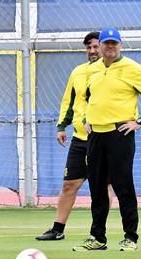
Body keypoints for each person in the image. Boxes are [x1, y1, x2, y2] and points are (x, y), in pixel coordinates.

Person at [72, 27, 141, 251]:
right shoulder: (92, 70)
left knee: (123, 186)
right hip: (95, 135)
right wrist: (86, 118)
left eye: (114, 44)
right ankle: (98, 238)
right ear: (100, 46)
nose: (110, 47)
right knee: (97, 187)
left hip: (120, 134)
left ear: (120, 46)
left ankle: (130, 237)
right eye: (106, 44)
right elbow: (84, 98)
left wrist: (140, 121)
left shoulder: (134, 69)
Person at [36, 31, 109, 241]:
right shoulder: (78, 72)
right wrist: (62, 126)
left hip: (104, 139)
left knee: (104, 187)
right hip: (80, 139)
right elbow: (68, 101)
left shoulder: (112, 72)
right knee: (69, 185)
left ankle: (98, 233)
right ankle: (57, 229)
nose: (93, 51)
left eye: (96, 46)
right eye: (89, 47)